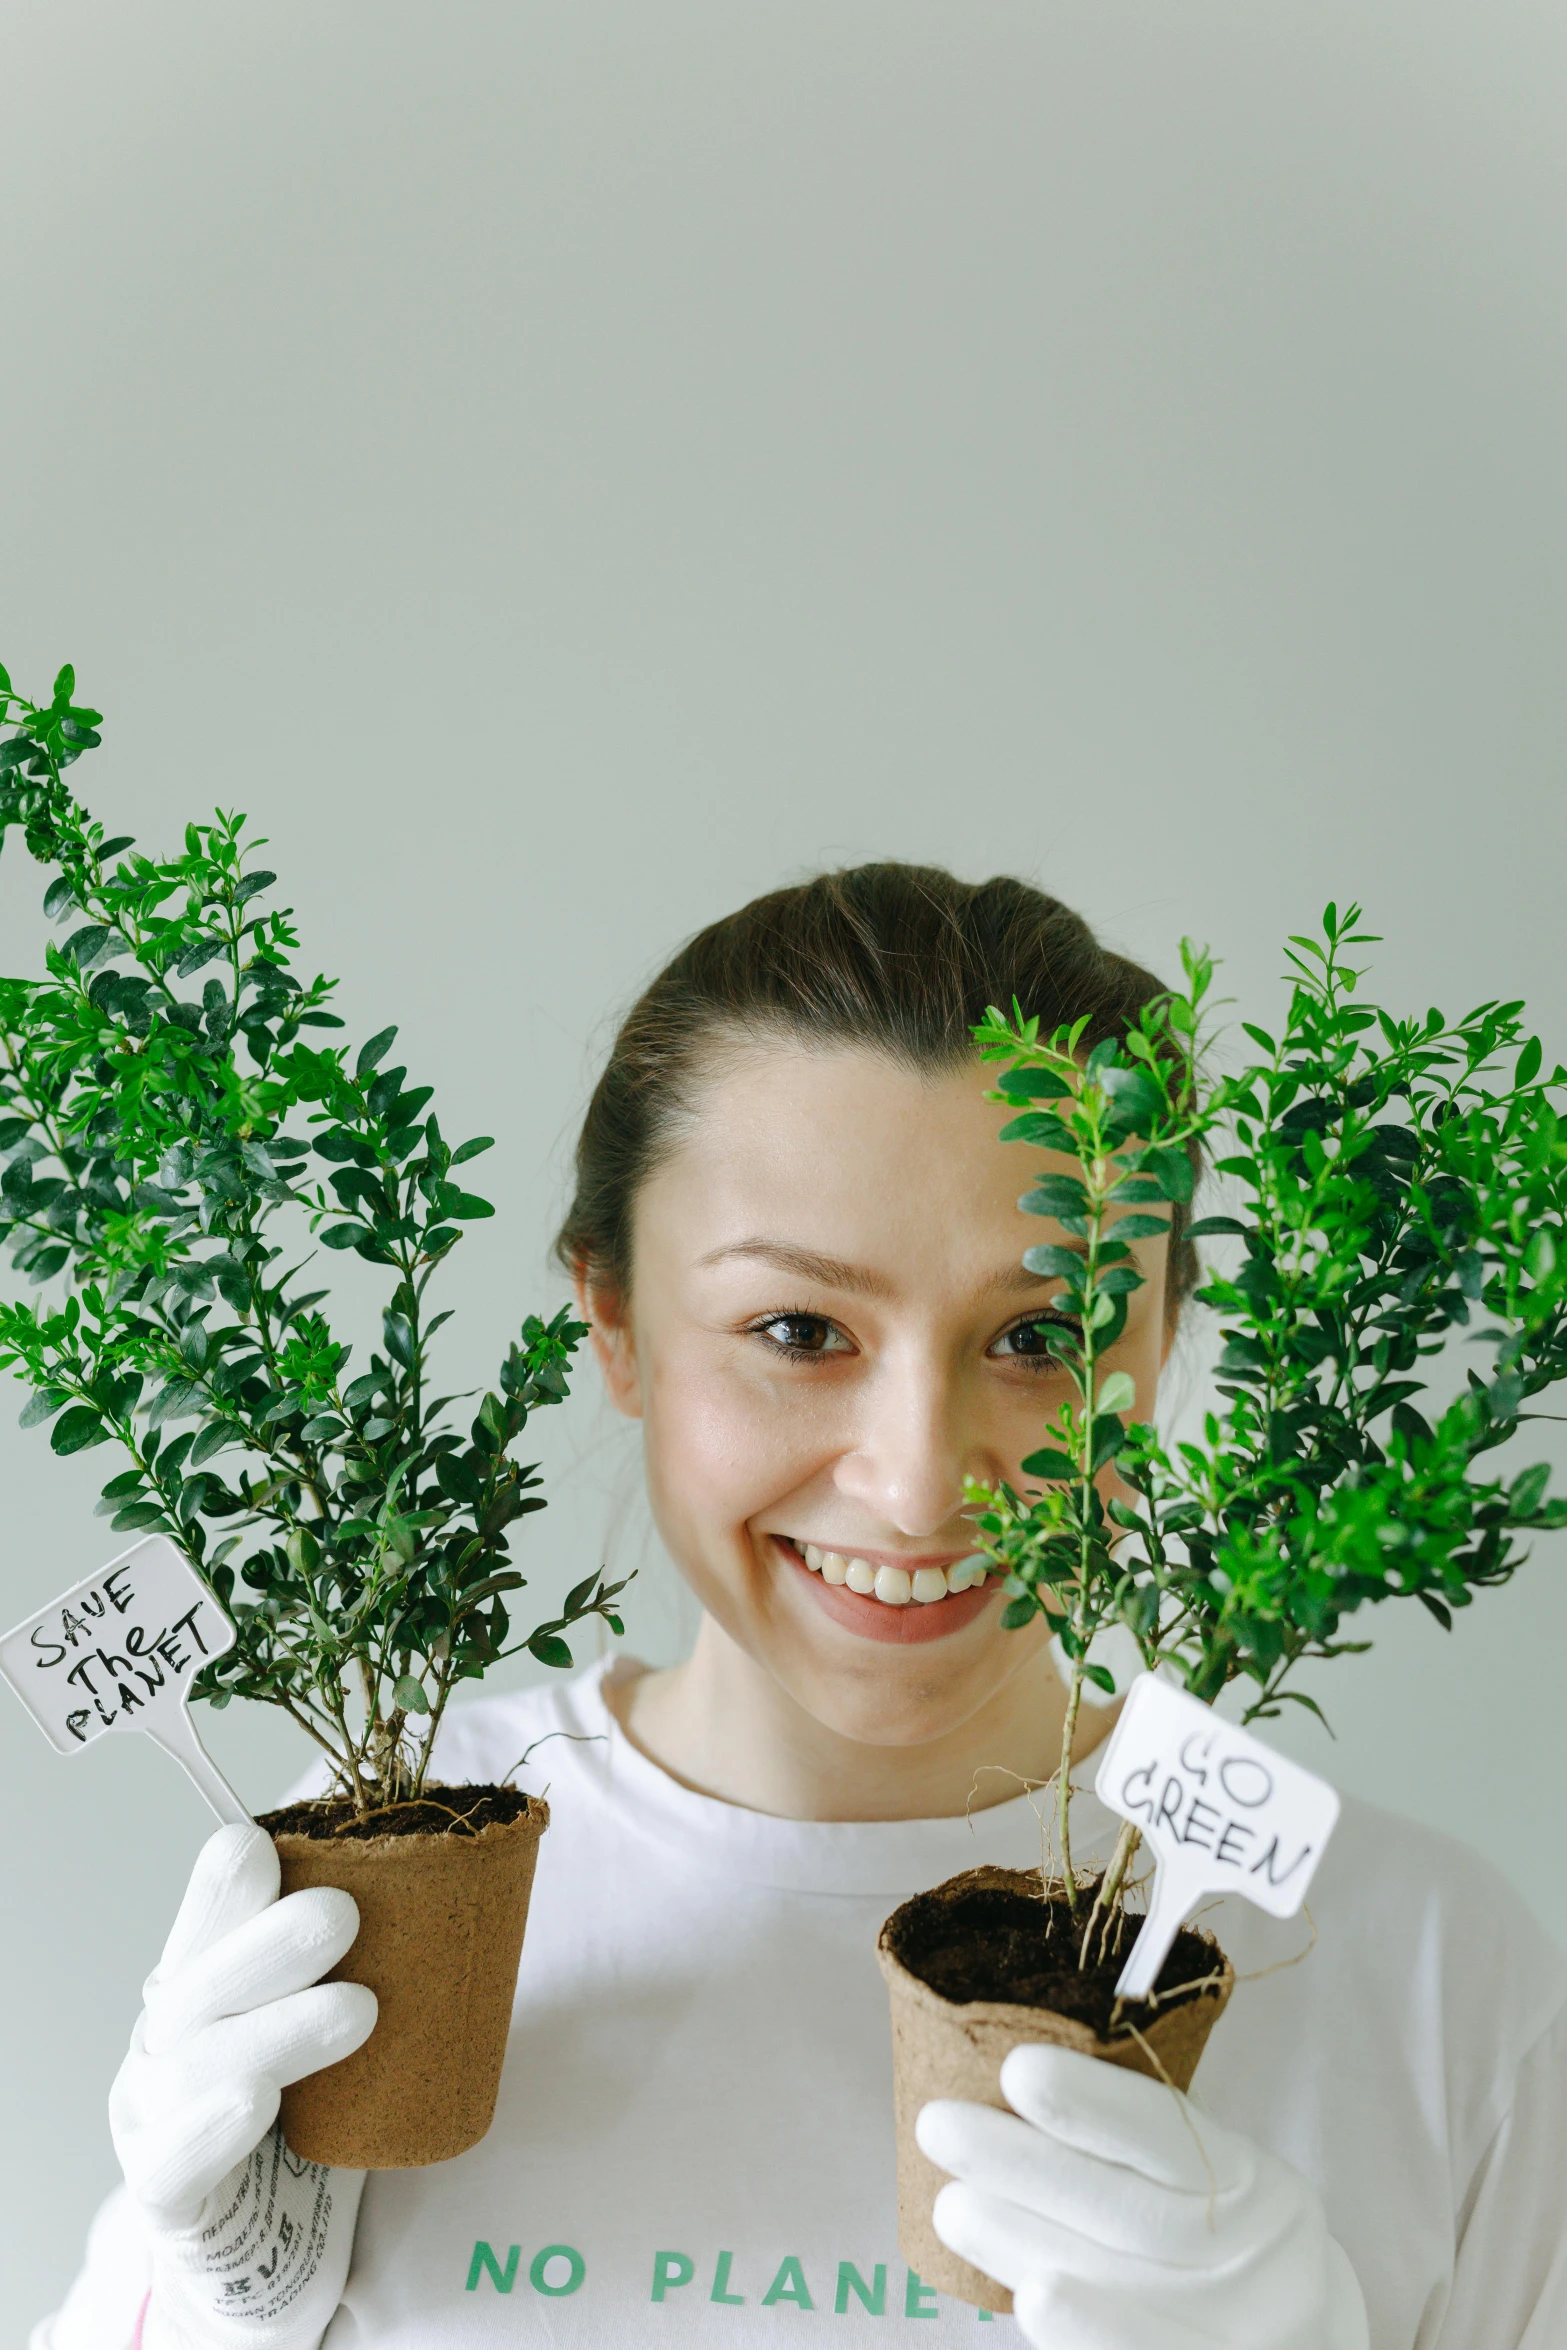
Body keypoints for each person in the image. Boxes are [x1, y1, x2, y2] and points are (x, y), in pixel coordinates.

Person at [37, 865, 1567, 2350]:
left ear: (1161, 1332)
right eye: (797, 1328)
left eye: (1042, 1331)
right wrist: (210, 2307)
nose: (915, 1484)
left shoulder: (1428, 1973)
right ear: (616, 1324)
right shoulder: (358, 1912)